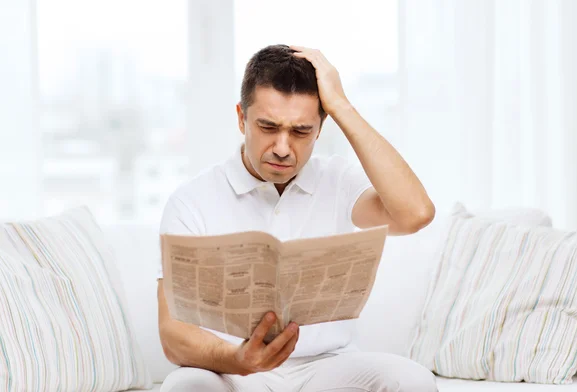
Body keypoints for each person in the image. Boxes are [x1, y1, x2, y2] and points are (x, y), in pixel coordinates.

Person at [157, 44, 438, 391]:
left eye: (301, 131)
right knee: (185, 387)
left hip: (327, 366)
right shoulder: (191, 201)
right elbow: (172, 335)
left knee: (413, 381)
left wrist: (341, 106)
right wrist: (239, 360)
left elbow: (416, 214)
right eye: (268, 127)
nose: (282, 147)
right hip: (228, 368)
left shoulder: (337, 180)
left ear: (320, 128)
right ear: (241, 118)